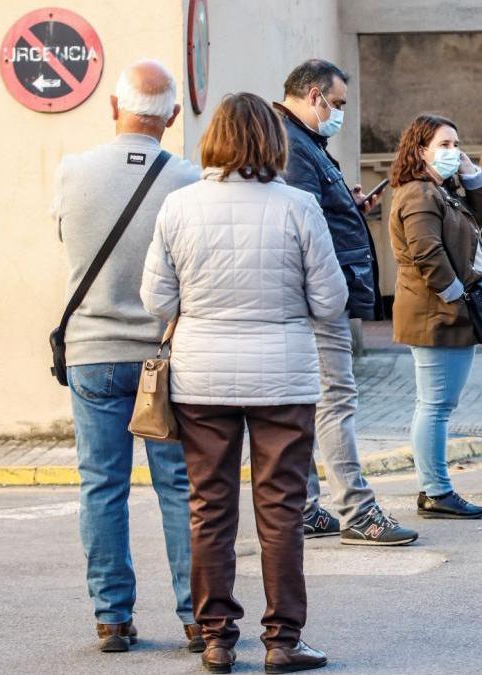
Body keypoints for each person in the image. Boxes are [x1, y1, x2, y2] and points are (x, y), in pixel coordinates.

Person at [142, 92, 343, 674]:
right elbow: (330, 301)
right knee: (281, 507)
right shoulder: (299, 206)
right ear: (273, 142)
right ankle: (283, 640)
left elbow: (156, 298)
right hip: (283, 378)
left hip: (201, 379)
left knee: (209, 505)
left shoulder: (179, 206)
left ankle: (217, 639)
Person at [51, 59, 202, 655]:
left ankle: (112, 618)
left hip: (90, 351)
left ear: (114, 108)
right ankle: (196, 617)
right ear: (170, 115)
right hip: (161, 358)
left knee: (101, 485)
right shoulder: (190, 179)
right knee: (178, 486)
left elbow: (70, 245)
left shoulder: (71, 172)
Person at [274, 59, 416, 545]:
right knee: (335, 401)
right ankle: (358, 512)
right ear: (313, 95)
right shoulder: (294, 145)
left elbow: (313, 216)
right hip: (318, 301)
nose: (339, 114)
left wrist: (347, 207)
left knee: (313, 403)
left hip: (315, 297)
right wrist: (328, 297)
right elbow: (302, 230)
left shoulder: (304, 141)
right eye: (336, 104)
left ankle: (306, 508)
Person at [388, 113, 482, 518]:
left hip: (445, 310)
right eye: (445, 145)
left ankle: (434, 488)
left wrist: (474, 175)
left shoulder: (440, 190)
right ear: (420, 151)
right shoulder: (419, 194)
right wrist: (457, 296)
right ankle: (435, 491)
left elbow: (481, 218)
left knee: (436, 403)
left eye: (456, 143)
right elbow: (426, 252)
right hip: (436, 313)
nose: (454, 151)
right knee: (435, 405)